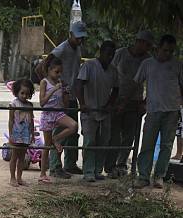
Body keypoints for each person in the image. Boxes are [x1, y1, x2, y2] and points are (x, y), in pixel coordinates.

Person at [135, 35, 183, 188]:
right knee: (147, 144)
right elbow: (136, 83)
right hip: (153, 110)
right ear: (158, 49)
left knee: (167, 145)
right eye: (165, 50)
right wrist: (140, 102)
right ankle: (143, 176)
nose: (167, 54)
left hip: (172, 111)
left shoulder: (177, 65)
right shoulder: (147, 64)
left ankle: (159, 176)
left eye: (170, 51)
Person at [104, 31, 154, 178]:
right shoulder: (120, 54)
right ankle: (110, 165)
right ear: (139, 42)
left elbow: (150, 84)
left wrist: (144, 102)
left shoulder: (148, 60)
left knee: (129, 135)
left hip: (135, 102)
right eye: (147, 45)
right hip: (117, 98)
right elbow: (110, 74)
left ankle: (121, 164)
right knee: (114, 135)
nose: (148, 48)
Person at [75, 40, 119, 183]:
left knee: (103, 141)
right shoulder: (89, 66)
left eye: (112, 55)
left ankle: (97, 170)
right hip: (90, 109)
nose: (109, 57)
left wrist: (110, 104)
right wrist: (82, 103)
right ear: (101, 53)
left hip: (104, 110)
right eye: (107, 54)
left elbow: (116, 89)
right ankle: (88, 171)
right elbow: (79, 84)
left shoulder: (113, 70)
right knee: (89, 141)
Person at [49, 21, 88, 178]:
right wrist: (51, 87)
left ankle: (70, 163)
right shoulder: (61, 49)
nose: (79, 40)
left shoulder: (77, 49)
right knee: (60, 131)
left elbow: (75, 75)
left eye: (81, 38)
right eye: (77, 37)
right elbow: (42, 67)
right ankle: (55, 166)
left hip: (72, 95)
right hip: (60, 97)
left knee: (73, 131)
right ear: (70, 34)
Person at [39, 56, 77, 184]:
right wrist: (54, 89)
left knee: (73, 126)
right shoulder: (45, 82)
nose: (59, 74)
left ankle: (56, 139)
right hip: (48, 114)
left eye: (61, 72)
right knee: (46, 147)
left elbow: (65, 106)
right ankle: (43, 173)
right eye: (56, 72)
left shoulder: (61, 83)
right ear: (49, 70)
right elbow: (42, 102)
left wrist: (66, 93)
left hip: (58, 113)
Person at [8, 78, 35, 187]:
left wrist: (32, 134)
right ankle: (12, 178)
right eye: (22, 93)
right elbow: (11, 120)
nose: (24, 96)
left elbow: (32, 120)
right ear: (17, 92)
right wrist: (10, 135)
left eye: (27, 93)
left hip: (26, 135)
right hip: (16, 134)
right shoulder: (13, 104)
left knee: (22, 157)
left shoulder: (30, 105)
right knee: (14, 156)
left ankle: (19, 178)